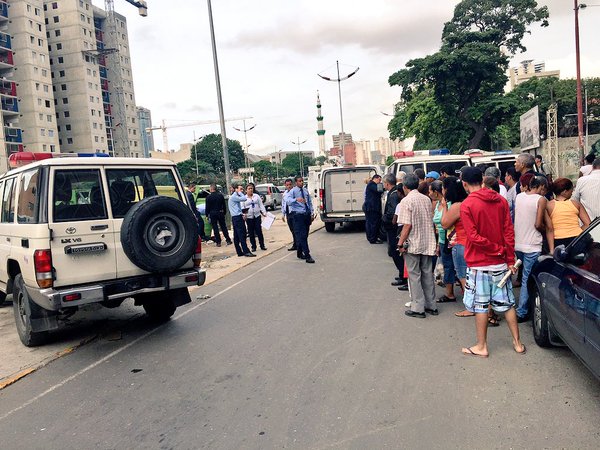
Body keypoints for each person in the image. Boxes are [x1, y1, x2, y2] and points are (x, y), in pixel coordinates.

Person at [459, 167, 525, 357]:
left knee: (480, 306)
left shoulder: (467, 205)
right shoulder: (501, 201)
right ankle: (518, 343)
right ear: (482, 179)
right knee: (507, 304)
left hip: (479, 264)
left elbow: (473, 236)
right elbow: (508, 231)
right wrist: (508, 257)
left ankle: (482, 346)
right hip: (500, 264)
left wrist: (496, 250)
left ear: (464, 183)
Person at [397, 173, 438, 318]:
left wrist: (400, 243)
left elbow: (407, 225)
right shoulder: (426, 199)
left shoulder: (406, 201)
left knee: (414, 276)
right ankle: (431, 305)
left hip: (413, 243)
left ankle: (418, 307)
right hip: (427, 241)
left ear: (405, 186)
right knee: (428, 274)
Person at [514, 175, 549, 322]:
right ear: (541, 187)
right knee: (528, 278)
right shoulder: (541, 200)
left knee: (526, 277)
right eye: (544, 189)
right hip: (532, 245)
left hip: (518, 244)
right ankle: (522, 311)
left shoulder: (519, 197)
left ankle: (523, 308)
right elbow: (538, 224)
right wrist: (547, 230)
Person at [440, 176, 471, 317]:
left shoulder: (456, 206)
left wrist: (444, 207)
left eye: (444, 188)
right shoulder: (466, 201)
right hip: (467, 243)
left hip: (460, 243)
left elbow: (444, 223)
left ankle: (470, 307)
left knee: (462, 275)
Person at [546, 177, 591, 252]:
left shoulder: (549, 205)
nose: (572, 192)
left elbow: (549, 229)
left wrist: (551, 250)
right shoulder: (576, 204)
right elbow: (588, 224)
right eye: (571, 190)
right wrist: (577, 231)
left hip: (558, 240)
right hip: (577, 239)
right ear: (565, 191)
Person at [430, 180, 457, 303]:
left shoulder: (449, 205)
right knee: (447, 266)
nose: (429, 193)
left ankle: (450, 294)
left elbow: (447, 224)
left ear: (436, 192)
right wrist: (438, 244)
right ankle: (450, 291)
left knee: (450, 266)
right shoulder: (437, 204)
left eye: (430, 191)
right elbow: (437, 226)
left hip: (450, 240)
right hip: (442, 240)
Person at [382, 174, 406, 287]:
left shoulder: (393, 195)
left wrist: (383, 218)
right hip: (394, 227)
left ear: (387, 183)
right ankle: (402, 274)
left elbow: (393, 213)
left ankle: (403, 276)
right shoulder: (394, 192)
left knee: (395, 252)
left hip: (393, 228)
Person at [286, 176, 315, 263]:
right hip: (298, 215)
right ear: (296, 182)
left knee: (305, 235)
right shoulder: (293, 191)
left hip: (306, 214)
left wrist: (311, 213)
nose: (302, 182)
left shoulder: (305, 191)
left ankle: (299, 251)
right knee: (302, 235)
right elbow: (288, 201)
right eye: (300, 181)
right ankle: (307, 255)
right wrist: (296, 199)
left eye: (302, 181)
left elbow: (309, 202)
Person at [228, 184, 255, 258]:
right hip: (237, 218)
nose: (242, 191)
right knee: (242, 234)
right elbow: (244, 198)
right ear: (236, 189)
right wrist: (239, 192)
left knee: (236, 235)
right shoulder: (234, 197)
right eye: (240, 189)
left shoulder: (233, 197)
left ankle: (239, 252)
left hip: (235, 217)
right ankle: (246, 251)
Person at [244, 183, 267, 252]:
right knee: (251, 232)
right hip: (249, 217)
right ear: (246, 190)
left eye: (251, 188)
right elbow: (242, 207)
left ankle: (262, 245)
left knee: (259, 231)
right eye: (249, 189)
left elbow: (261, 205)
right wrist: (244, 214)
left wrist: (264, 212)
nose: (251, 190)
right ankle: (253, 246)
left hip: (257, 216)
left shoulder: (256, 196)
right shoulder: (244, 198)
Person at [363, 174, 383, 244]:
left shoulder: (371, 185)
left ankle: (371, 237)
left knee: (371, 223)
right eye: (379, 180)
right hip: (372, 208)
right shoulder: (371, 185)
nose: (380, 182)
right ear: (376, 178)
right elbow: (380, 190)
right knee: (373, 224)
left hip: (371, 207)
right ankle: (372, 239)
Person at [281, 178, 297, 251]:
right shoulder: (285, 194)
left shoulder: (295, 192)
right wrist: (283, 214)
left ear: (292, 185)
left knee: (296, 230)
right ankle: (295, 244)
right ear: (285, 185)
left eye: (290, 185)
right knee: (292, 230)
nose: (289, 186)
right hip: (288, 213)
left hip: (294, 213)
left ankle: (297, 244)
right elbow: (283, 204)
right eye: (287, 185)